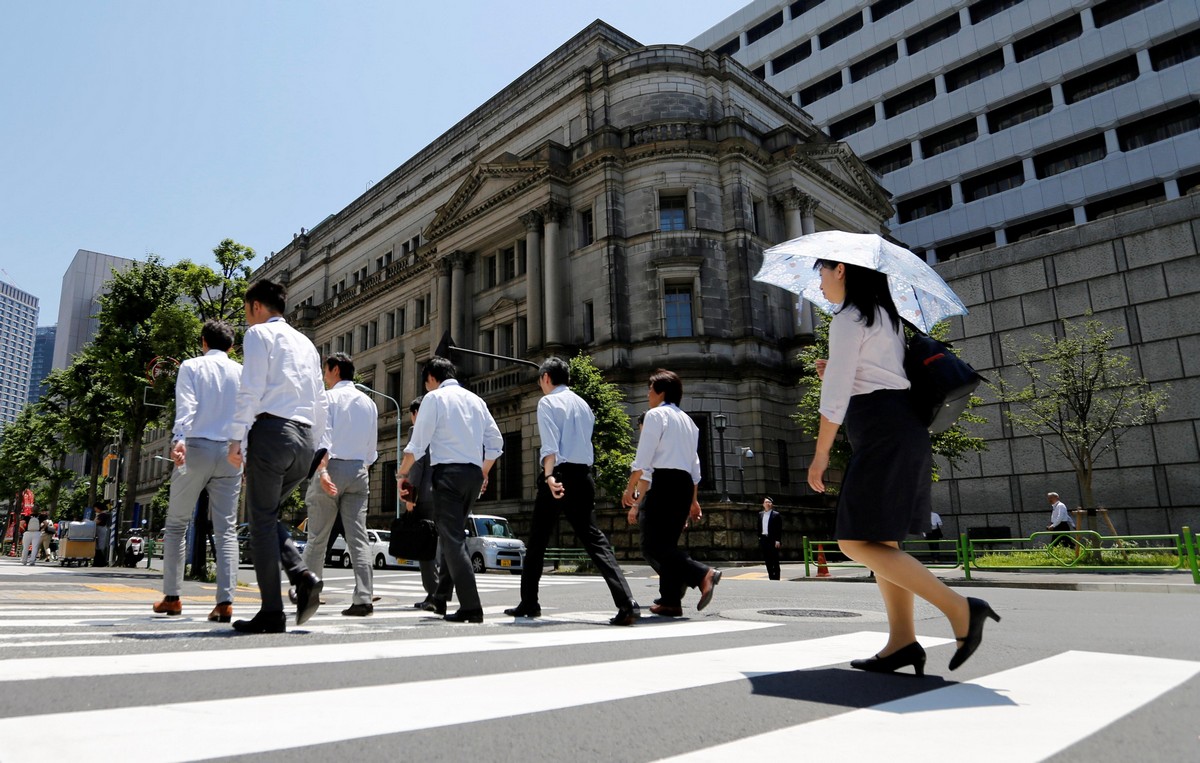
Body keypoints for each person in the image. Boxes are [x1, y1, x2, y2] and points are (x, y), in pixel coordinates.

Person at [807, 258, 997, 675]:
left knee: (854, 541)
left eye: (821, 273)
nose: (817, 283)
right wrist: (837, 371)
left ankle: (961, 609)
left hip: (881, 430)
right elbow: (875, 374)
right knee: (882, 543)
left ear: (841, 269)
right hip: (901, 424)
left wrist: (821, 454)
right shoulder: (886, 317)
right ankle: (902, 642)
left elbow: (838, 395)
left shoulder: (847, 318)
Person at [505, 357, 640, 626]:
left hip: (560, 476)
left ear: (545, 378)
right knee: (594, 539)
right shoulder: (583, 404)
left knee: (537, 541)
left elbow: (550, 445)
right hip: (583, 475)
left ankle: (529, 602)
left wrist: (549, 476)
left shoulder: (548, 402)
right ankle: (627, 602)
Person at [227, 279, 328, 634]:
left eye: (245, 311)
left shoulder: (258, 336)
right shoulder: (307, 344)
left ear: (256, 306)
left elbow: (250, 387)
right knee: (266, 518)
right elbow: (320, 400)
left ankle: (273, 610)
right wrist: (318, 447)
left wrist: (237, 437)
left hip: (271, 433)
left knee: (260, 522)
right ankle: (301, 576)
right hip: (304, 441)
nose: (246, 319)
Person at [397, 357, 502, 624]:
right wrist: (484, 470)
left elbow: (418, 444)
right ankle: (441, 597)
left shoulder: (434, 399)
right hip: (472, 475)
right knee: (451, 536)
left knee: (453, 540)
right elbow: (496, 441)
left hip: (448, 476)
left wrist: (402, 474)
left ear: (432, 378)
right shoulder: (476, 400)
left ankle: (471, 606)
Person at [153, 320, 243, 622]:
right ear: (231, 347)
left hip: (196, 448)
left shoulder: (191, 367)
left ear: (203, 342)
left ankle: (173, 598)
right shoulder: (242, 373)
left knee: (177, 524)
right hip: (231, 452)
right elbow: (248, 414)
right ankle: (225, 603)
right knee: (226, 530)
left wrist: (179, 439)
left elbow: (186, 405)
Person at [621, 369, 720, 617]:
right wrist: (694, 500)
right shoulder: (689, 422)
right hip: (684, 484)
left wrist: (630, 487)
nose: (647, 394)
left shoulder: (656, 416)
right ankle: (670, 600)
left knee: (653, 545)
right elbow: (694, 463)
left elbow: (644, 455)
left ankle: (701, 574)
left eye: (650, 389)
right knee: (667, 544)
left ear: (660, 392)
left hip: (663, 482)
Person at [301, 353, 378, 617]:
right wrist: (361, 468)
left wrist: (322, 471)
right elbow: (371, 450)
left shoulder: (328, 398)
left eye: (326, 370)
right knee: (358, 539)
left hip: (330, 468)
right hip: (358, 470)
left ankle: (309, 594)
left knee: (318, 538)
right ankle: (363, 598)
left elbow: (323, 439)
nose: (324, 375)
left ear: (335, 370)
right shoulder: (369, 403)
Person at [406, 396, 454, 610]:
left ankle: (433, 592)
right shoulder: (443, 429)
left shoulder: (417, 431)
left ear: (416, 413)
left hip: (423, 497)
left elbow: (415, 468)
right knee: (442, 547)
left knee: (425, 548)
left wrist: (409, 497)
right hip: (444, 493)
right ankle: (440, 593)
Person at [759, 497, 783, 580]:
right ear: (763, 504)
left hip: (773, 540)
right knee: (767, 559)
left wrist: (778, 540)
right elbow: (759, 527)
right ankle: (771, 576)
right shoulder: (760, 514)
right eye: (766, 502)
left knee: (775, 559)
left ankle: (776, 576)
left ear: (772, 504)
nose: (768, 504)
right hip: (764, 538)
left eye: (769, 502)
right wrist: (759, 538)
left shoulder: (776, 514)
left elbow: (779, 529)